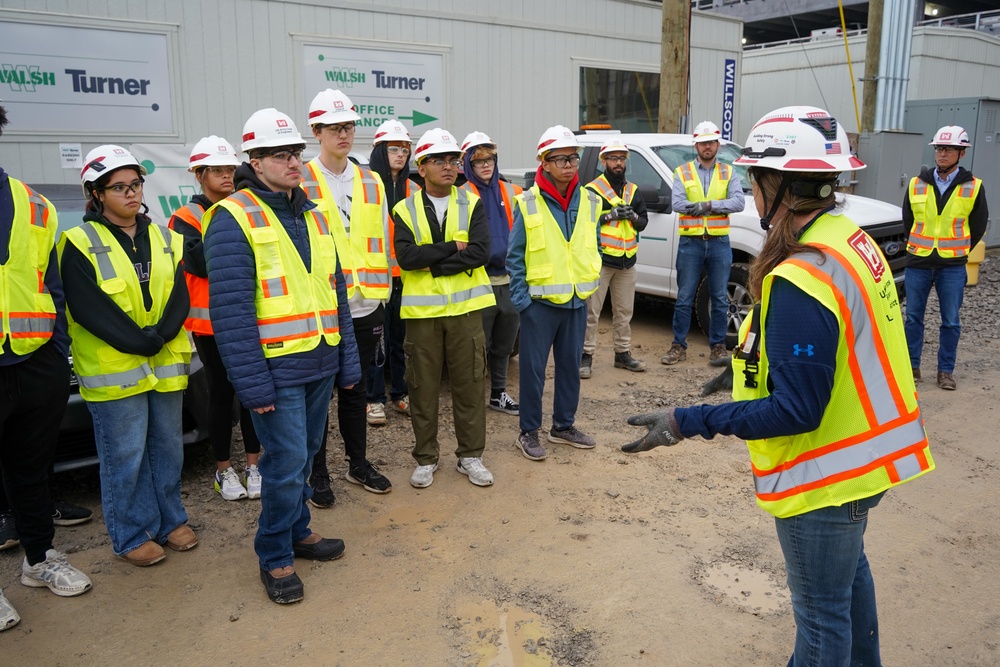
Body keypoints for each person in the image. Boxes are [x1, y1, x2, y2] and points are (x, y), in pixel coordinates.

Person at [622, 106, 934, 665]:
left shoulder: (801, 274)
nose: (748, 189)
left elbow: (797, 408)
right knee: (845, 588)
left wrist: (688, 420)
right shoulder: (846, 239)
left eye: (753, 178)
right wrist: (741, 371)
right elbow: (839, 341)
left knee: (820, 625)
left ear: (779, 185)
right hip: (870, 461)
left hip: (827, 474)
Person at [203, 108, 360, 604]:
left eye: (295, 152)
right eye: (279, 155)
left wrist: (348, 361)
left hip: (319, 359)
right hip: (276, 368)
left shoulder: (311, 212)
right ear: (255, 160)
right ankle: (273, 555)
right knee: (287, 462)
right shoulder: (232, 217)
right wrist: (251, 385)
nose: (293, 162)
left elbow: (334, 293)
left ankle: (298, 530)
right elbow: (230, 312)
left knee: (307, 454)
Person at [59, 145, 197, 567]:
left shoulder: (166, 237)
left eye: (135, 184)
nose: (131, 193)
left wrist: (161, 334)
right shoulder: (78, 242)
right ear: (97, 193)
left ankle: (171, 521)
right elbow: (87, 307)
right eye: (119, 187)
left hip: (163, 362)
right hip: (116, 368)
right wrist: (140, 341)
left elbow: (179, 293)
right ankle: (131, 533)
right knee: (126, 455)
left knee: (168, 449)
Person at [0, 100, 91, 632]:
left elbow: (49, 287)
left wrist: (55, 356)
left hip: (34, 363)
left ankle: (40, 560)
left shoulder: (33, 204)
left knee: (30, 472)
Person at [301, 89, 392, 505]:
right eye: (335, 127)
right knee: (318, 397)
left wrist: (383, 295)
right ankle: (317, 474)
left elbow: (381, 239)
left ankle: (358, 464)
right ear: (316, 131)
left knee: (356, 390)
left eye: (349, 126)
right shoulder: (300, 179)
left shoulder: (372, 180)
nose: (344, 134)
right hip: (321, 306)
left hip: (366, 302)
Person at [392, 128, 495, 488]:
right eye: (440, 161)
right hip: (422, 316)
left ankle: (470, 457)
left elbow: (481, 252)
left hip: (467, 312)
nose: (449, 167)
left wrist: (432, 262)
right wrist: (454, 247)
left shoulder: (472, 201)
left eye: (453, 160)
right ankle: (425, 458)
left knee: (470, 385)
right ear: (422, 167)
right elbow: (407, 258)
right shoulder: (404, 208)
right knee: (422, 388)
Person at [168, 136, 262, 501]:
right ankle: (224, 470)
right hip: (209, 324)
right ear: (199, 174)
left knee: (254, 392)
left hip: (250, 316)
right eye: (218, 170)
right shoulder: (186, 218)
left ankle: (254, 464)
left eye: (230, 169)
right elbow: (200, 263)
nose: (227, 175)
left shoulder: (244, 208)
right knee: (222, 394)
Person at [508, 125, 601, 462]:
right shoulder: (528, 202)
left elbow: (594, 244)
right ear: (544, 163)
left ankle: (563, 426)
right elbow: (515, 255)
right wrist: (523, 302)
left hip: (577, 300)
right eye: (561, 158)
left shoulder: (591, 199)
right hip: (540, 305)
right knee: (533, 372)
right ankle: (528, 432)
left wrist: (589, 281)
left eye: (573, 158)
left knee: (569, 368)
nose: (569, 164)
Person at [902, 125, 989, 391]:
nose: (942, 153)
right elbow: (908, 221)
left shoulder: (974, 187)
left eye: (949, 149)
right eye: (939, 148)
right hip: (918, 261)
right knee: (913, 317)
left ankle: (945, 372)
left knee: (950, 320)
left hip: (952, 265)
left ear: (961, 153)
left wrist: (959, 250)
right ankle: (911, 367)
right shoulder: (917, 184)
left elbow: (978, 225)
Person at [662, 120, 745, 367]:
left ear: (717, 144)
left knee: (720, 297)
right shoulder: (683, 171)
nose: (707, 146)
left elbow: (738, 202)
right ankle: (678, 346)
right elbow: (678, 203)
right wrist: (715, 207)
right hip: (691, 242)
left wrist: (708, 206)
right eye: (702, 143)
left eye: (711, 142)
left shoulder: (729, 172)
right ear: (696, 145)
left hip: (719, 242)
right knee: (685, 296)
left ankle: (718, 348)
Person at [460, 131, 523, 415]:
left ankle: (498, 394)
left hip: (509, 281)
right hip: (478, 281)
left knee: (504, 344)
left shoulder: (513, 192)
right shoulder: (461, 196)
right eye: (478, 161)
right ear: (467, 166)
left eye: (490, 159)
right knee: (477, 347)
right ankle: (472, 399)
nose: (485, 165)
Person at [580, 138, 649, 378]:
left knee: (624, 312)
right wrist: (609, 216)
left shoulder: (633, 190)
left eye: (621, 159)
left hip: (627, 260)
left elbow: (643, 222)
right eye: (613, 158)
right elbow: (585, 222)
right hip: (601, 261)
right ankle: (585, 357)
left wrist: (632, 218)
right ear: (604, 161)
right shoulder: (592, 189)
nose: (618, 163)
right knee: (592, 313)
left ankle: (622, 355)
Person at [366, 119, 419, 420]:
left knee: (400, 339)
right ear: (379, 151)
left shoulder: (412, 188)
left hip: (405, 277)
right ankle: (373, 399)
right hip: (374, 278)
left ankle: (400, 393)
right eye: (393, 148)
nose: (400, 154)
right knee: (377, 341)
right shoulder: (367, 186)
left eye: (404, 149)